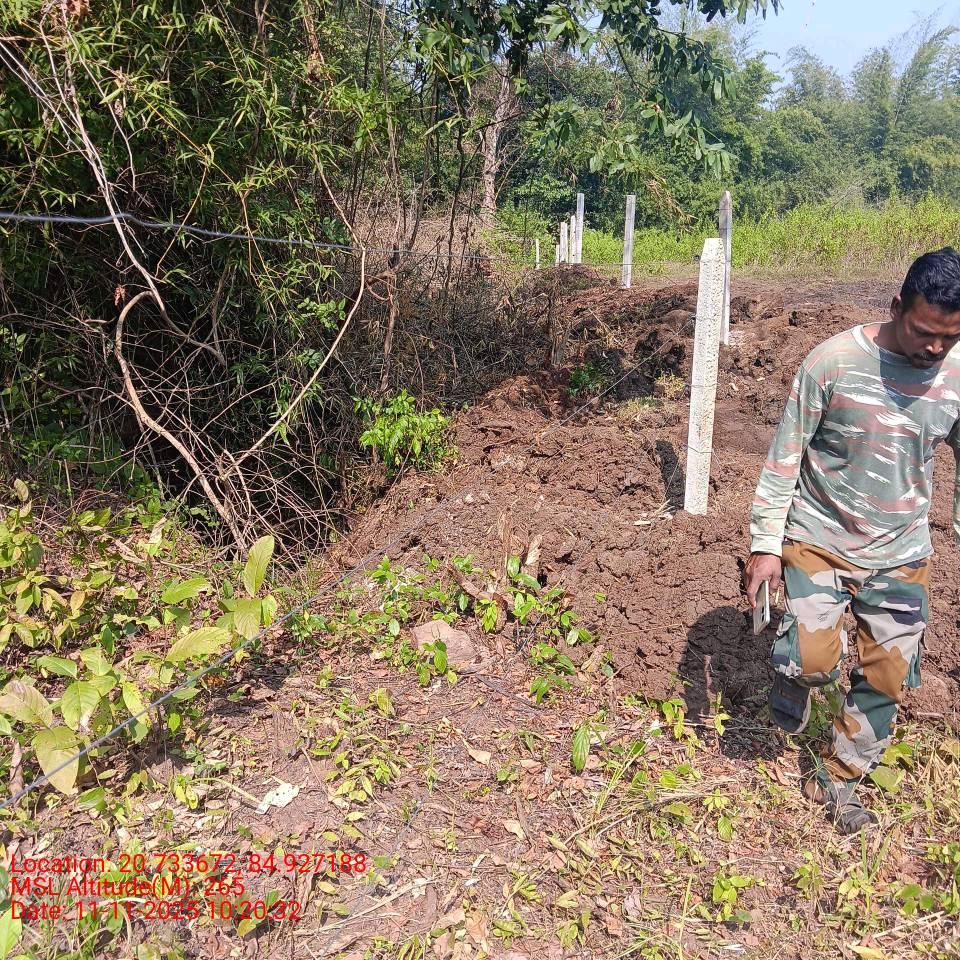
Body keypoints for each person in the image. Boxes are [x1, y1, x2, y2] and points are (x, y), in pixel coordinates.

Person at [743, 248, 960, 834]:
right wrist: (765, 545)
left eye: (950, 337)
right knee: (814, 659)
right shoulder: (833, 362)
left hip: (903, 550)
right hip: (819, 536)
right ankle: (796, 671)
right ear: (896, 307)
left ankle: (838, 778)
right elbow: (783, 459)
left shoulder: (956, 374)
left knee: (887, 675)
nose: (935, 348)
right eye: (924, 332)